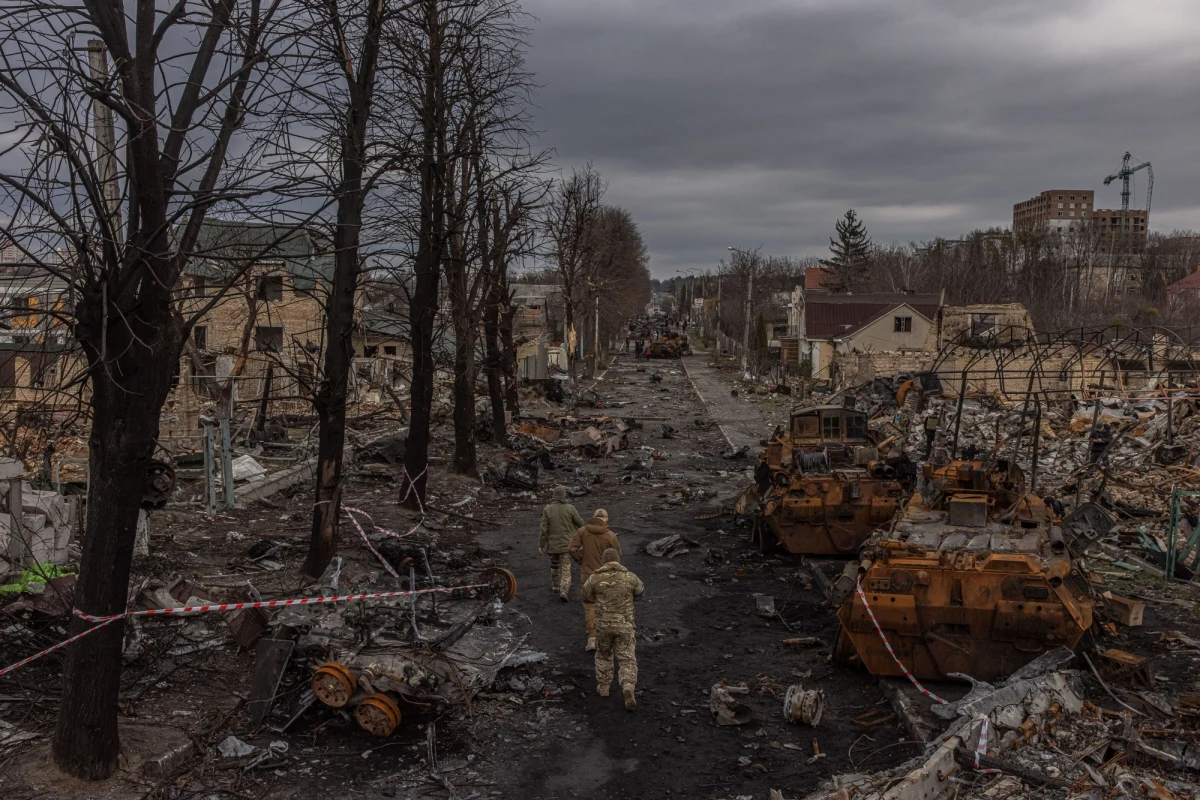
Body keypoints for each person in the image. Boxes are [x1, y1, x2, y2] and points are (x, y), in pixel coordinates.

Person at [583, 548, 644, 711]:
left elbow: (586, 597)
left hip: (603, 625)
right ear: (618, 560)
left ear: (604, 561)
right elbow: (640, 593)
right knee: (627, 658)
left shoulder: (594, 578)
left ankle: (603, 688)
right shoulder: (631, 577)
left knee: (603, 655)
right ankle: (628, 686)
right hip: (625, 624)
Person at [568, 509, 621, 651]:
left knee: (589, 605)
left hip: (587, 575)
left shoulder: (582, 531)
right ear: (606, 519)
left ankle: (592, 639)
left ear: (593, 517)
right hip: (607, 576)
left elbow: (572, 549)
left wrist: (582, 561)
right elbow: (617, 556)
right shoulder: (610, 536)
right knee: (607, 604)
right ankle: (608, 637)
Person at [539, 486, 585, 601]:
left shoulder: (547, 510)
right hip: (567, 544)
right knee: (566, 567)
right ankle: (564, 590)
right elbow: (580, 523)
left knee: (554, 565)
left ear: (554, 495)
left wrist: (541, 544)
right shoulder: (570, 508)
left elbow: (543, 530)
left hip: (553, 545)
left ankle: (555, 586)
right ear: (564, 495)